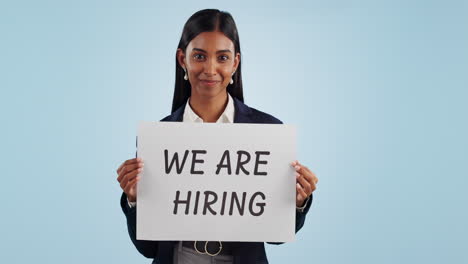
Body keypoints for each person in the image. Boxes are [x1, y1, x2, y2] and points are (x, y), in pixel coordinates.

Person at [116, 9, 318, 264]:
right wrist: (134, 200)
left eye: (222, 57)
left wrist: (297, 201)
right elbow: (148, 248)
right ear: (182, 59)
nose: (210, 69)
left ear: (235, 63)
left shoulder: (269, 132)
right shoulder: (159, 138)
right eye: (199, 56)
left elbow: (275, 237)